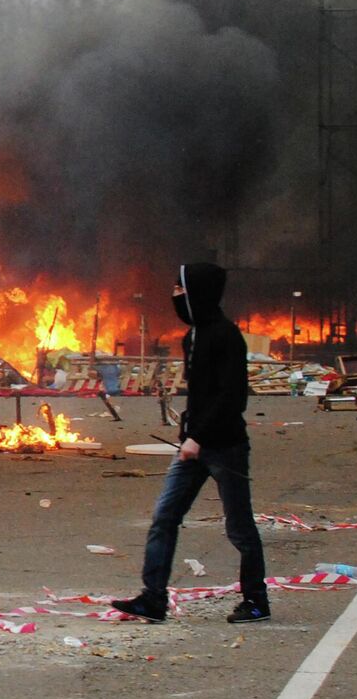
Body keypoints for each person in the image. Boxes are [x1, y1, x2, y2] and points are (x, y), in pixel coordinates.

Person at [113, 263, 270, 625]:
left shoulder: (227, 336)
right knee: (164, 517)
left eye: (179, 290)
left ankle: (256, 601)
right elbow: (201, 395)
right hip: (193, 446)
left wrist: (199, 437)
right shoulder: (192, 337)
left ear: (197, 293)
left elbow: (232, 397)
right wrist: (188, 429)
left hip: (226, 447)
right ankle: (154, 598)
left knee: (240, 526)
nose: (174, 298)